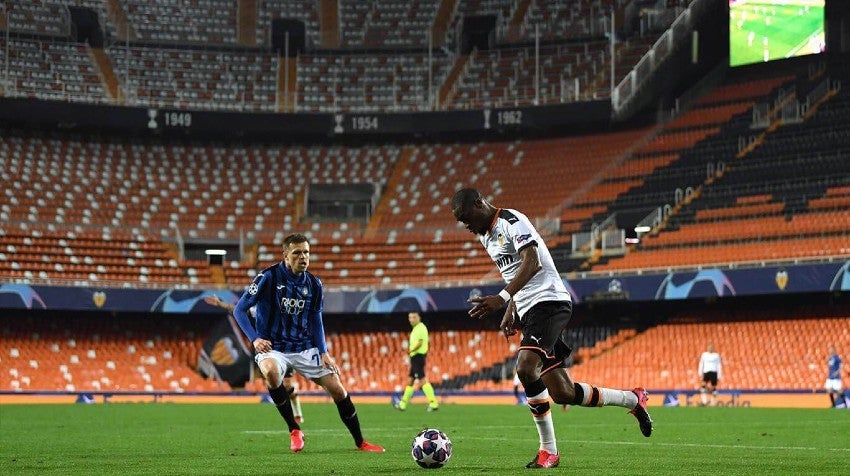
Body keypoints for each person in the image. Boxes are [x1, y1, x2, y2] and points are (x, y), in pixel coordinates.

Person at [451, 188, 652, 469]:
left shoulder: (510, 220)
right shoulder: (486, 236)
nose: (466, 225)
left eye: (465, 217)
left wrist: (502, 299)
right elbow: (513, 271)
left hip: (549, 301)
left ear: (478, 203)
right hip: (529, 309)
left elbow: (532, 262)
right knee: (563, 392)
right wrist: (512, 309)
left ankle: (549, 452)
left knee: (524, 368)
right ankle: (633, 399)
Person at [232, 233, 384, 453]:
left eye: (306, 252)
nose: (303, 257)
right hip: (274, 347)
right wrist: (255, 339)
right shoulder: (268, 278)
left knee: (338, 390)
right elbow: (239, 309)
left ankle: (361, 442)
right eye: (297, 253)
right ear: (285, 255)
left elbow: (316, 319)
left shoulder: (314, 284)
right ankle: (294, 429)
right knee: (271, 372)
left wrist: (324, 352)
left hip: (304, 347)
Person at [204, 294, 304, 423]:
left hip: (284, 349)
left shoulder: (283, 307)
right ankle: (288, 416)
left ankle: (297, 411)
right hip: (266, 351)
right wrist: (220, 304)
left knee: (288, 386)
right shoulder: (256, 310)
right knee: (272, 380)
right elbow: (235, 308)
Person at [394, 312, 440, 411]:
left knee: (422, 379)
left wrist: (411, 350)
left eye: (414, 317)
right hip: (415, 357)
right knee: (410, 380)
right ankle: (403, 404)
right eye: (409, 317)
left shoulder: (421, 328)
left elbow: (420, 342)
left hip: (418, 356)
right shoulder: (416, 328)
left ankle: (433, 403)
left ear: (419, 317)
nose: (411, 319)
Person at [698, 342, 722, 407]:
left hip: (714, 372)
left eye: (711, 347)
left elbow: (719, 365)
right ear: (707, 348)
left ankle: (713, 403)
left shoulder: (716, 355)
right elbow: (701, 363)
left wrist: (719, 375)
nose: (710, 348)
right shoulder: (704, 355)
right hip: (706, 372)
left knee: (713, 388)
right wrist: (700, 372)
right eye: (709, 347)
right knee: (703, 387)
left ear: (713, 348)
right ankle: (704, 402)